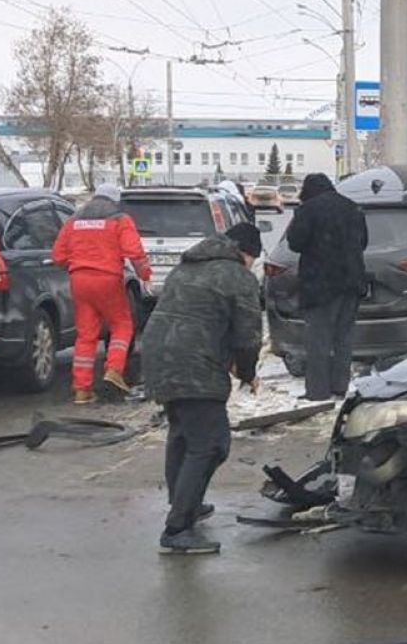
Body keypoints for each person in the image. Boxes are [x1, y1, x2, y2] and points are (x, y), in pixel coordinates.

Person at [141, 223, 263, 554]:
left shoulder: (187, 267)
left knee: (182, 434)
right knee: (211, 444)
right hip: (194, 364)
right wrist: (248, 372)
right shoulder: (238, 277)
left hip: (158, 355)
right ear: (246, 253)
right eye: (253, 258)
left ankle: (185, 504)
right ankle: (178, 528)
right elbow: (248, 336)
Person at [52, 184, 151, 404]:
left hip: (79, 280)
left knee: (86, 335)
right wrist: (144, 274)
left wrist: (77, 264)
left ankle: (82, 389)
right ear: (114, 200)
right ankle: (114, 370)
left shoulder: (73, 221)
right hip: (108, 279)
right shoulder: (119, 219)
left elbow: (58, 256)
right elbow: (134, 252)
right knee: (121, 325)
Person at [285, 172, 368, 401]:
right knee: (344, 337)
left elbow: (295, 243)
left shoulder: (308, 210)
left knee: (318, 340)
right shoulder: (352, 208)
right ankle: (339, 386)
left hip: (320, 284)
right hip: (351, 282)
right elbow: (363, 242)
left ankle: (318, 391)